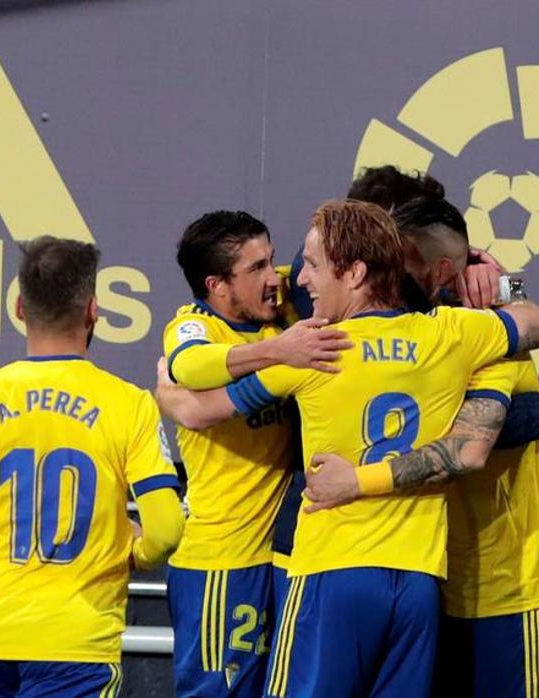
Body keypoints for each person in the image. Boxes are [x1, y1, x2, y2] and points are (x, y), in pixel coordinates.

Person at [157, 200, 539, 697]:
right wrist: (496, 280)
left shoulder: (315, 350)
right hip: (418, 582)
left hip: (330, 572)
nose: (299, 280)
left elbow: (203, 405)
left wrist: (168, 392)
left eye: (314, 266)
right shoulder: (453, 335)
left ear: (355, 272)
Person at [302, 197, 539, 698]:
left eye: (402, 258)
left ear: (440, 269)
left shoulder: (476, 333)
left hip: (515, 586)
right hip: (438, 587)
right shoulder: (422, 334)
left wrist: (501, 281)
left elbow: (481, 439)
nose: (388, 271)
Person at [0, 236, 185, 698]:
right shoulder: (130, 405)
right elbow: (167, 530)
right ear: (93, 310)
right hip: (76, 639)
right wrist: (136, 554)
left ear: (18, 308)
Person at [161, 210, 350, 697]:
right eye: (257, 268)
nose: (275, 279)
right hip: (221, 559)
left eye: (272, 261)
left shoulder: (283, 303)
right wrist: (278, 352)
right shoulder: (194, 325)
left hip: (284, 555)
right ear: (217, 285)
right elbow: (188, 365)